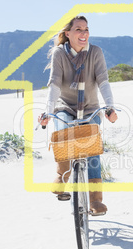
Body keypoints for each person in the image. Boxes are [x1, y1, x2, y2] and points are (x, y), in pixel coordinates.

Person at [39, 16, 117, 215]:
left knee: (92, 150)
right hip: (65, 106)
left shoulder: (96, 52)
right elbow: (55, 84)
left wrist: (110, 107)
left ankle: (95, 200)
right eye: (78, 29)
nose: (83, 33)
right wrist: (49, 111)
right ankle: (62, 175)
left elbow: (103, 82)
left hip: (91, 108)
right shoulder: (59, 54)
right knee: (63, 135)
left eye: (86, 29)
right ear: (68, 33)